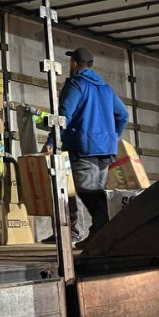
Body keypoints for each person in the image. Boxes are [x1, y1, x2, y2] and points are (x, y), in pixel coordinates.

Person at [44, 47, 129, 242]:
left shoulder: (76, 84)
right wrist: (112, 136)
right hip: (105, 150)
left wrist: (51, 141)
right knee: (96, 191)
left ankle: (104, 231)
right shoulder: (106, 88)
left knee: (87, 190)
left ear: (73, 64)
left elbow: (64, 115)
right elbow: (123, 115)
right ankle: (98, 233)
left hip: (85, 148)